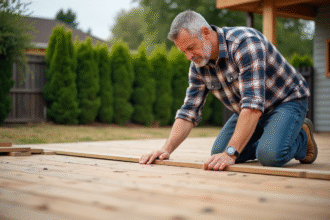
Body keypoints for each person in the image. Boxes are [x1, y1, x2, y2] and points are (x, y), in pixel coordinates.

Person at [139, 10, 318, 171]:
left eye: (191, 48)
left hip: (286, 101)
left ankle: (301, 137)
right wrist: (166, 149)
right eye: (183, 51)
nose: (189, 57)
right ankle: (272, 136)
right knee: (218, 152)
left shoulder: (245, 44)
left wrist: (231, 153)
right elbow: (189, 112)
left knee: (269, 155)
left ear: (206, 33)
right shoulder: (198, 64)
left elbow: (253, 106)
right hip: (248, 110)